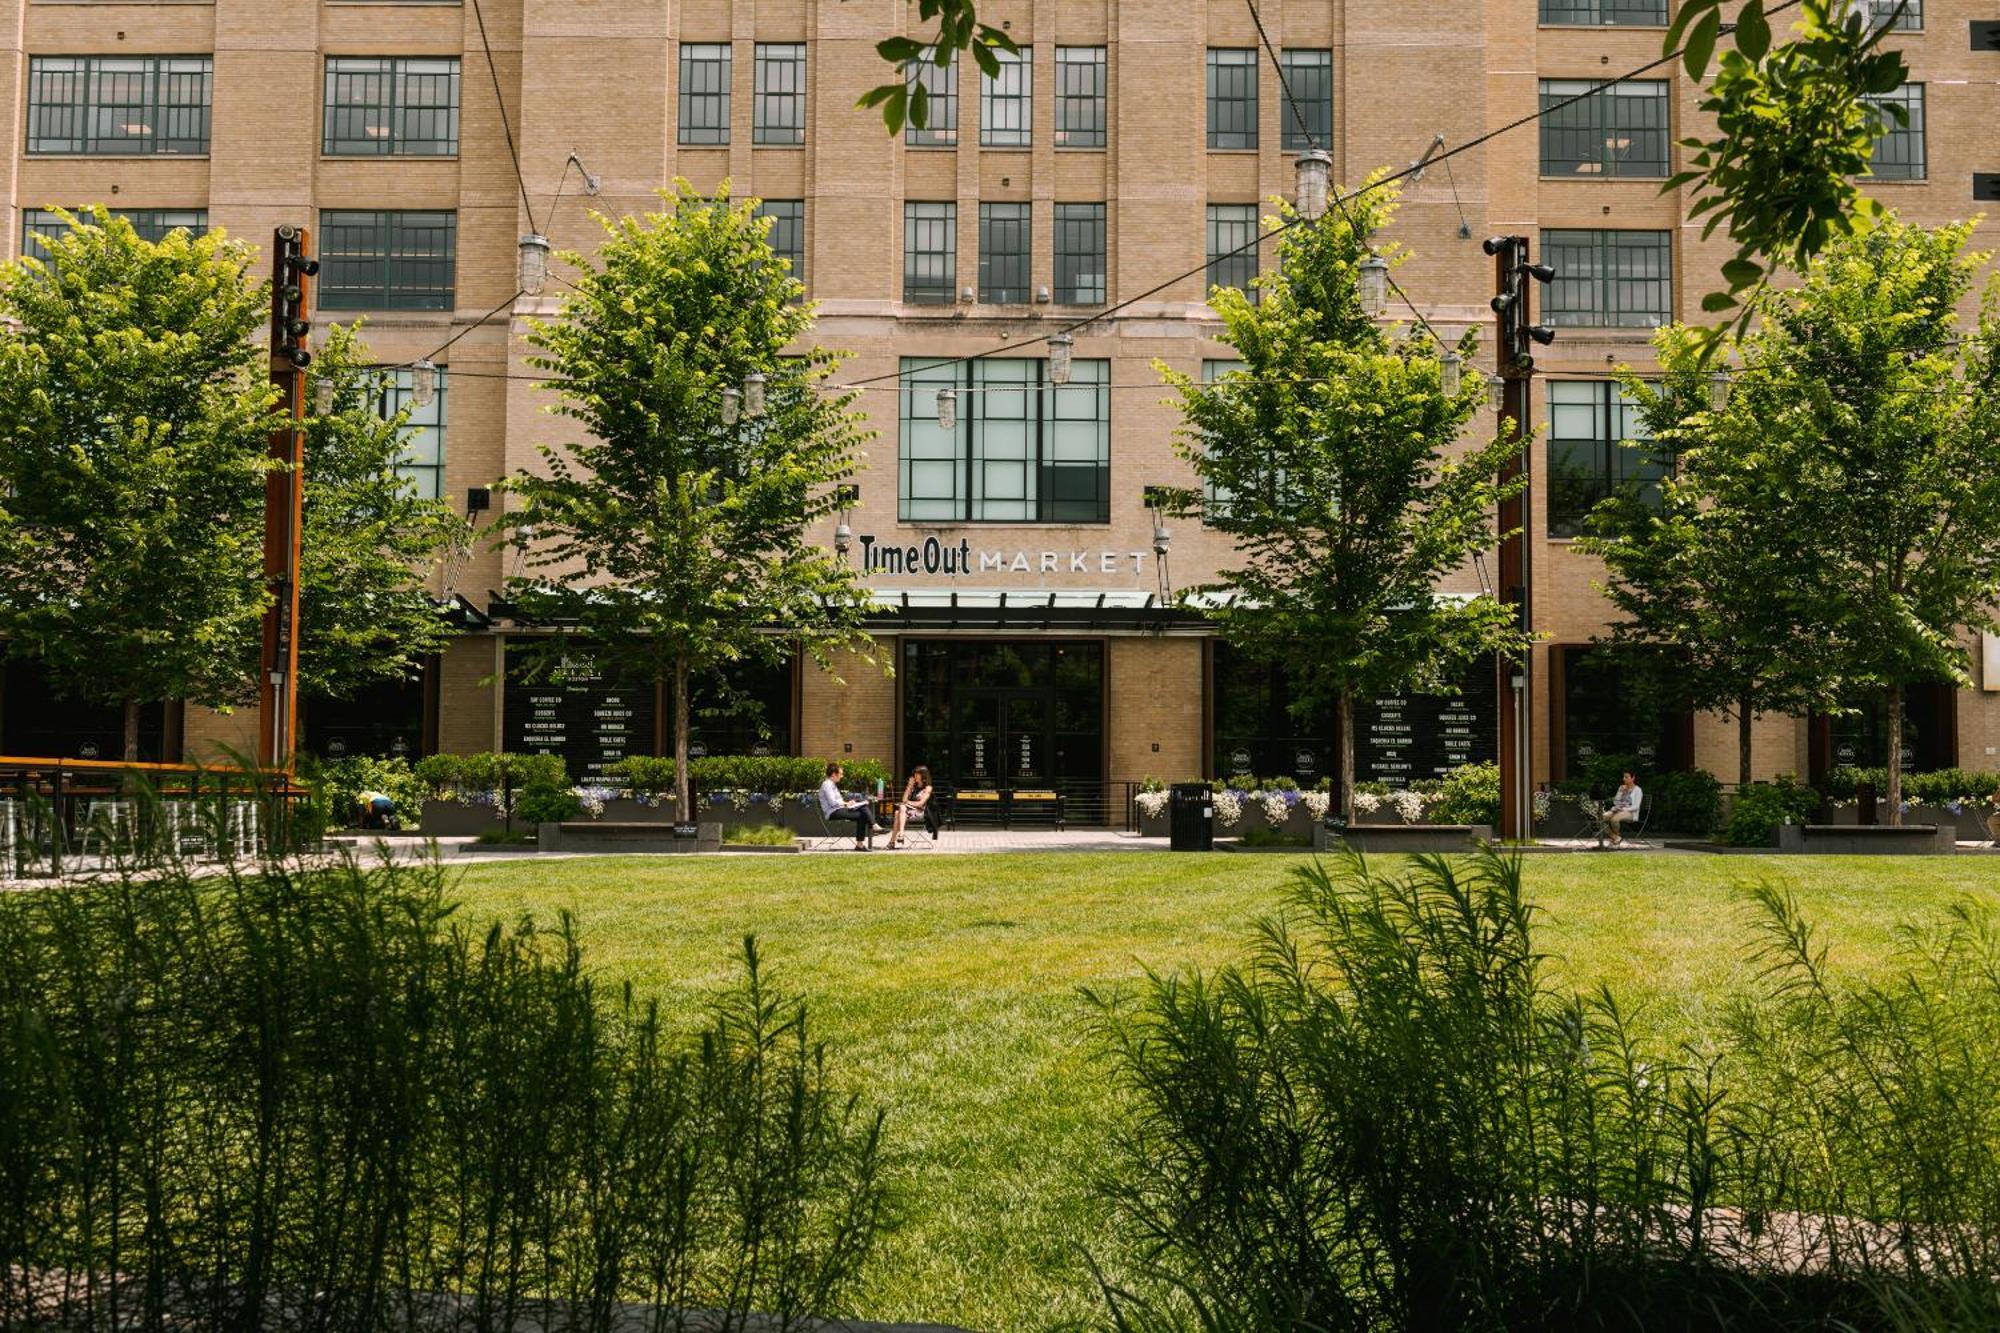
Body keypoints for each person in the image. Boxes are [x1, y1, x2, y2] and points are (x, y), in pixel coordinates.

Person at [817, 761, 878, 850]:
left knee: (862, 809)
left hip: (838, 809)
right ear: (834, 774)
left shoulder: (832, 784)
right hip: (832, 812)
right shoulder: (827, 785)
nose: (842, 776)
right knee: (863, 813)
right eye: (840, 774)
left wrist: (849, 804)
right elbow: (833, 803)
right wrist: (846, 804)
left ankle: (863, 841)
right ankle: (873, 826)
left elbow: (838, 802)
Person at [887, 765, 934, 849]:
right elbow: (904, 799)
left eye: (917, 774)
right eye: (915, 774)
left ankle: (892, 841)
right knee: (899, 810)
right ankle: (900, 835)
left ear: (923, 775)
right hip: (908, 812)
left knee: (899, 811)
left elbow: (920, 803)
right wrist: (909, 786)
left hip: (921, 812)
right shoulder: (913, 787)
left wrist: (907, 802)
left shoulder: (928, 788)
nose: (914, 776)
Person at [1596, 771, 1643, 848]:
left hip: (1630, 812)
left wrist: (1624, 809)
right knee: (1600, 818)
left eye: (1626, 777)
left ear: (1633, 778)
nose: (1624, 779)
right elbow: (1615, 802)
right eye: (1623, 777)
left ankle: (1615, 839)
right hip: (1617, 810)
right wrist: (1621, 791)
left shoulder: (1638, 790)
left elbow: (1636, 806)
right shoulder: (1621, 788)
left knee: (1614, 820)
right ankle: (1616, 837)